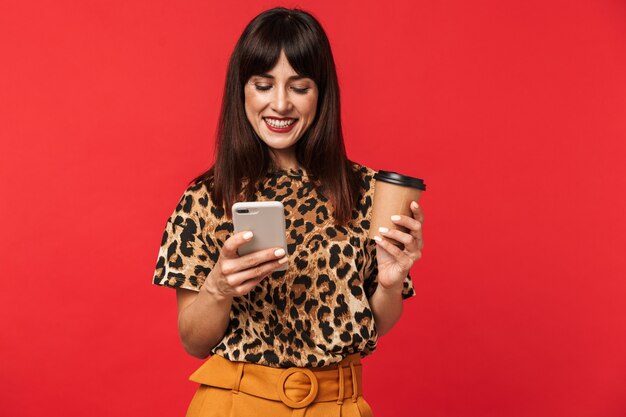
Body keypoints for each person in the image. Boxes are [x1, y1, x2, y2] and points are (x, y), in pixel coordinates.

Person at [152, 7, 425, 417]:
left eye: (299, 87)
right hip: (235, 404)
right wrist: (219, 288)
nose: (280, 104)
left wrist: (390, 282)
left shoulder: (367, 191)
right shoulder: (206, 197)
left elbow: (375, 326)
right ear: (242, 90)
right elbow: (193, 343)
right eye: (263, 85)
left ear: (321, 93)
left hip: (338, 405)